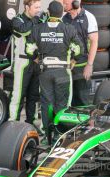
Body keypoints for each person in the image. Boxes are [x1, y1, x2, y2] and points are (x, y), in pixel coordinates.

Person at [26, 0, 84, 137]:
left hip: (45, 71)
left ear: (48, 13)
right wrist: (74, 60)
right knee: (62, 105)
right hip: (62, 72)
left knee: (46, 104)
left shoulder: (38, 28)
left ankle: (47, 135)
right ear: (62, 13)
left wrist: (35, 58)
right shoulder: (68, 28)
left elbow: (29, 49)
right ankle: (60, 135)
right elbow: (79, 49)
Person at [9, 0, 41, 125]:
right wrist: (36, 20)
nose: (39, 10)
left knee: (33, 95)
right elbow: (24, 30)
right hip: (22, 62)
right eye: (36, 7)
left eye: (39, 7)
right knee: (18, 94)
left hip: (36, 61)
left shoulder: (38, 19)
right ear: (27, 7)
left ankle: (30, 123)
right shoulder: (17, 20)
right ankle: (13, 123)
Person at [62, 0, 99, 106]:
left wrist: (89, 65)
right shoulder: (64, 19)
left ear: (76, 3)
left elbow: (94, 42)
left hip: (82, 66)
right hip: (67, 66)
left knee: (82, 100)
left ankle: (83, 122)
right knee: (68, 99)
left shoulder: (89, 17)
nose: (64, 5)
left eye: (66, 2)